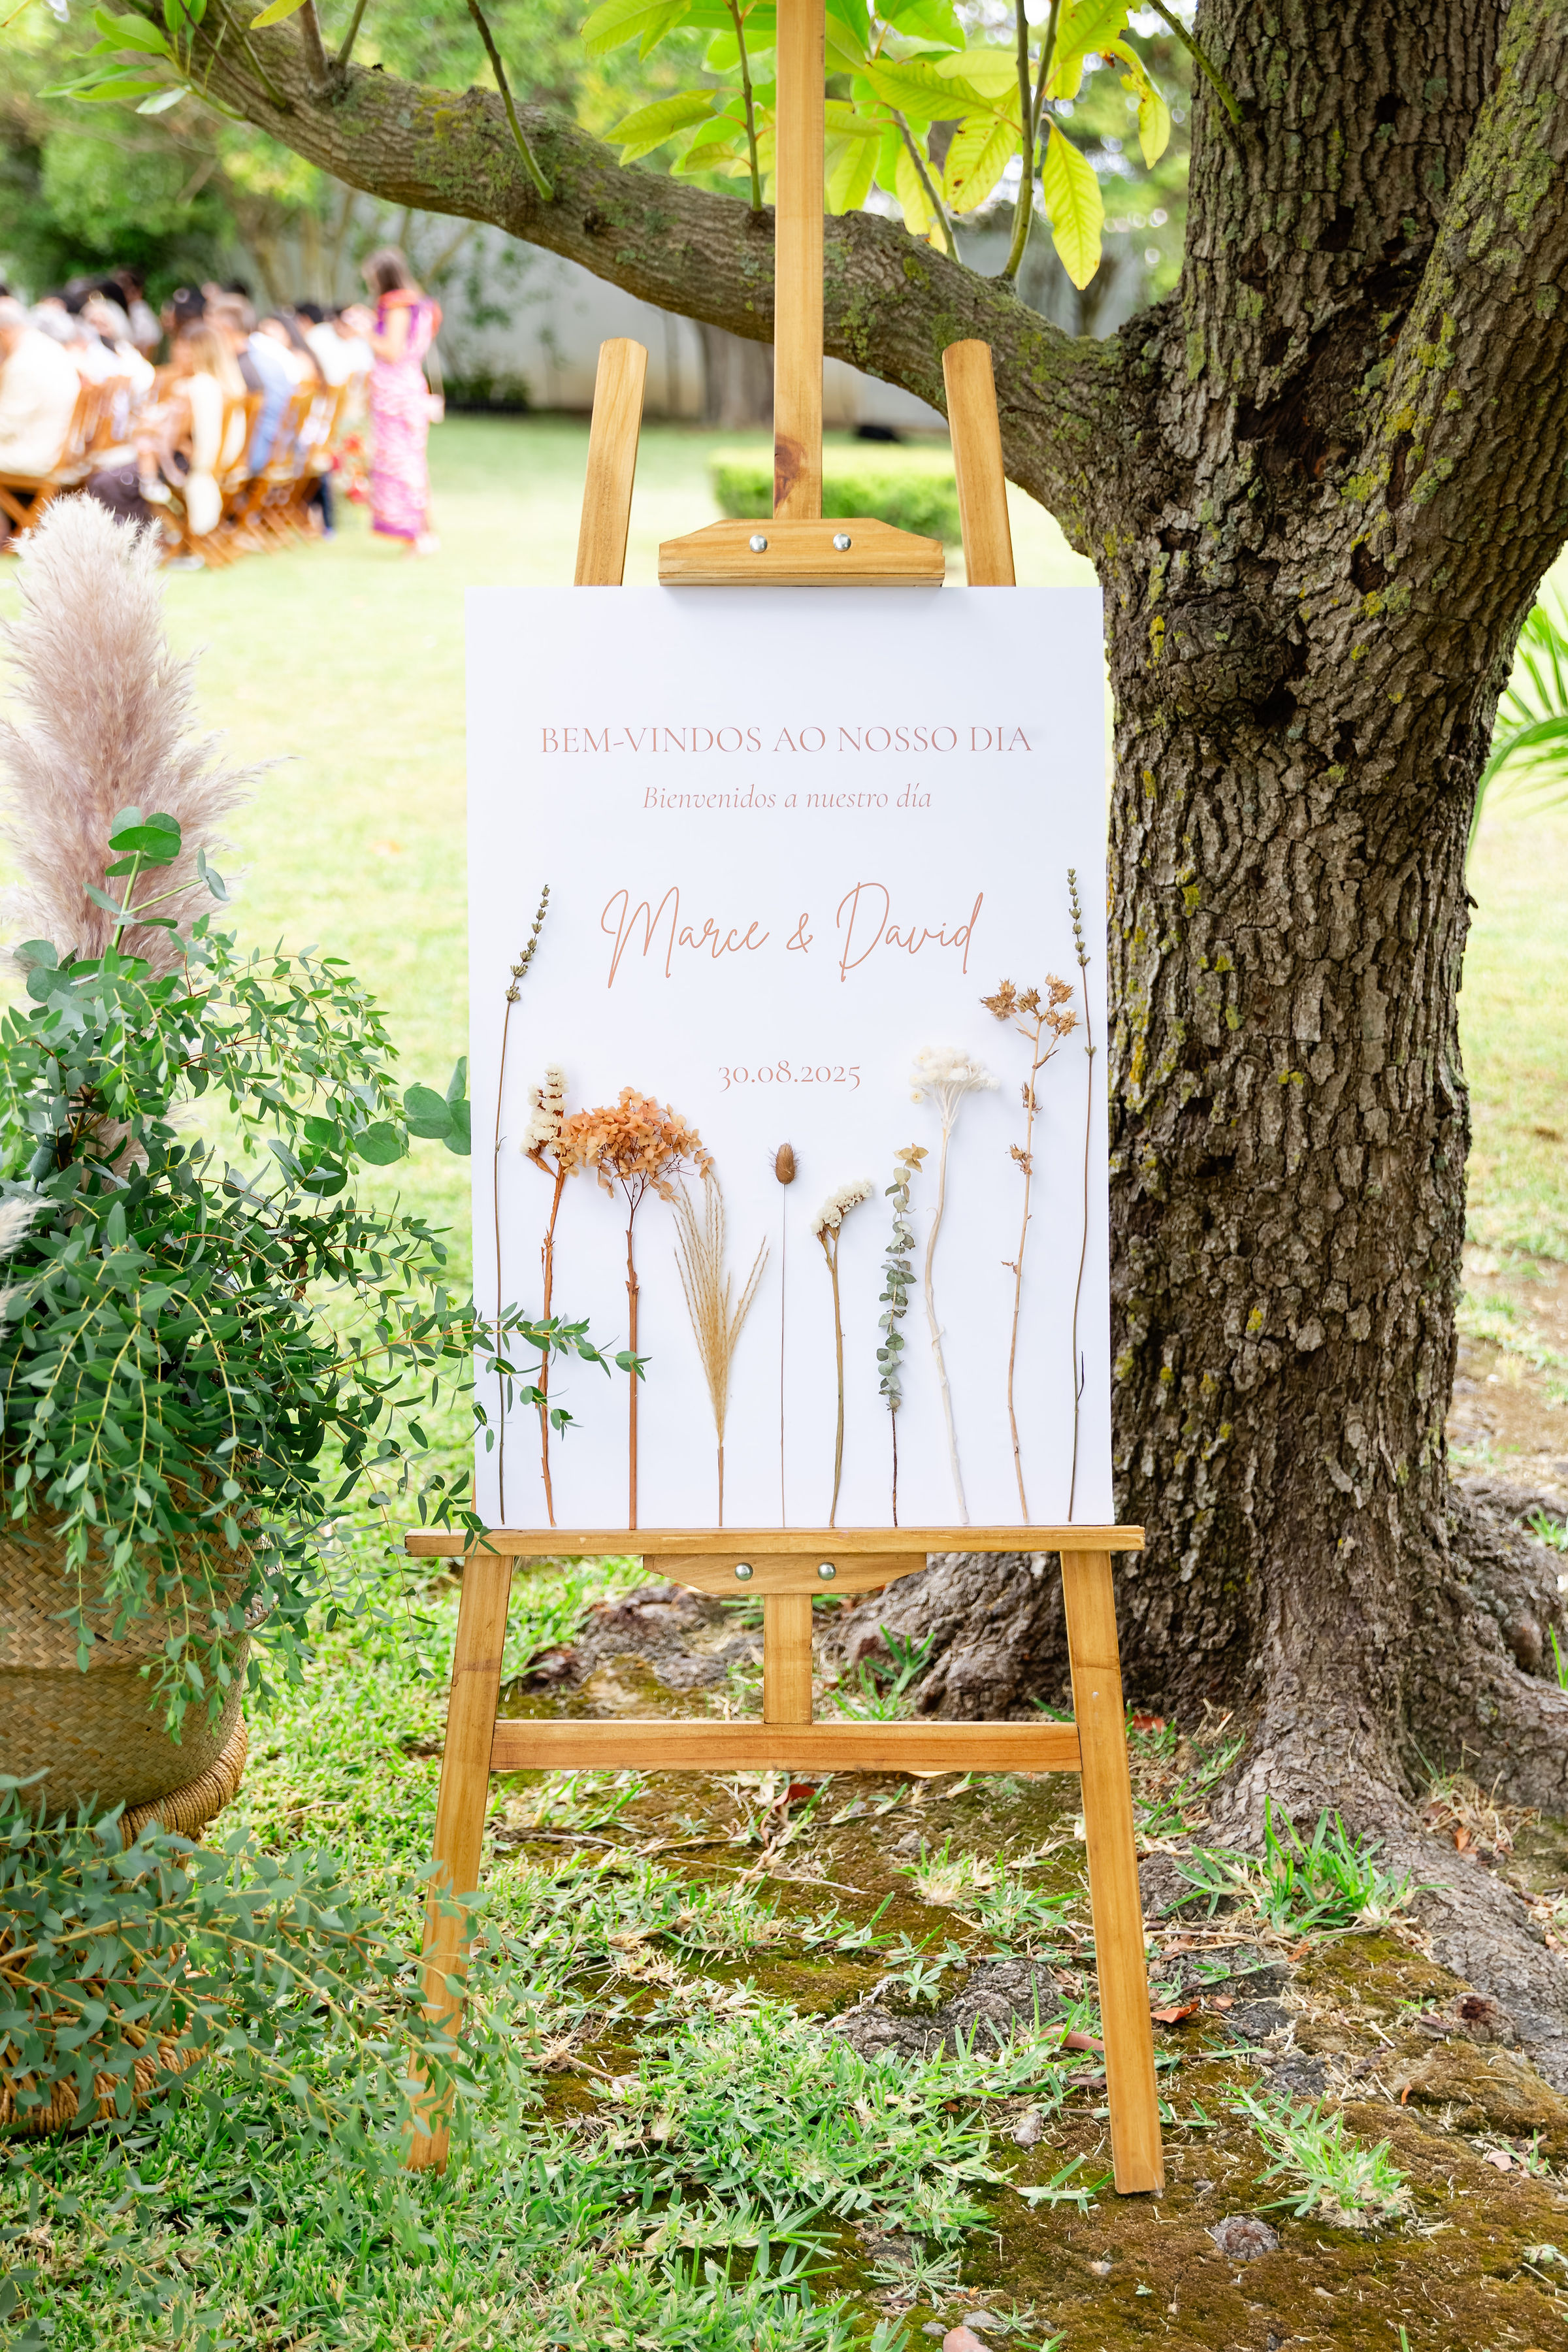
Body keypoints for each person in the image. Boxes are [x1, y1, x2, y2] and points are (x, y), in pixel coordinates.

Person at [342, 248, 440, 553]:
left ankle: (419, 535)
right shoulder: (418, 304)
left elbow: (392, 351)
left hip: (396, 395)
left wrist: (364, 331)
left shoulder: (398, 306)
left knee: (404, 464)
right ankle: (424, 533)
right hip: (405, 389)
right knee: (410, 461)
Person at [0, 297, 83, 545]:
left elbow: (6, 425)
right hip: (55, 447)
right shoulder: (45, 348)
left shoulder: (23, 362)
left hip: (37, 454)